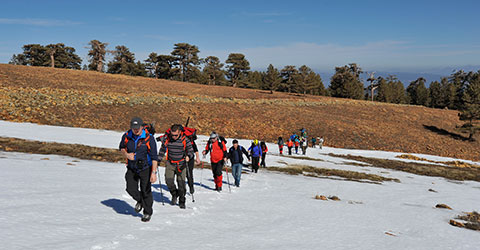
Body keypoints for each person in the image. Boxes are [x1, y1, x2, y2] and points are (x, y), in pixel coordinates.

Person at [119, 117, 158, 222]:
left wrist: (153, 173)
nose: (135, 130)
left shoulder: (149, 138)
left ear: (142, 127)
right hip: (132, 167)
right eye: (133, 128)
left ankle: (147, 212)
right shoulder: (127, 136)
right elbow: (122, 148)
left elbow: (154, 157)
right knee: (130, 189)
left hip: (145, 168)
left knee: (146, 191)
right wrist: (127, 155)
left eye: (137, 128)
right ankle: (140, 201)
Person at [158, 124, 194, 209]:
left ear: (180, 133)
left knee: (181, 184)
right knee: (168, 181)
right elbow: (162, 150)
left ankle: (182, 200)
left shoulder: (185, 140)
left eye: (176, 135)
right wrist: (158, 160)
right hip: (170, 163)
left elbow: (191, 150)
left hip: (181, 164)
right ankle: (174, 194)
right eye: (172, 135)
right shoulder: (167, 139)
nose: (174, 137)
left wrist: (188, 156)